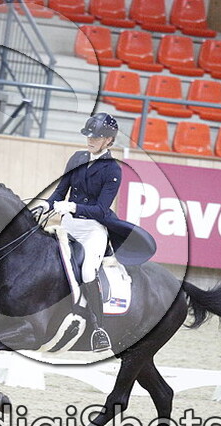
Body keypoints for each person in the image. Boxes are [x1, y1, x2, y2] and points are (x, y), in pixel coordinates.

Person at [40, 113, 155, 352]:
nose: (91, 140)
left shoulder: (112, 170)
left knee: (87, 271)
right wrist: (45, 205)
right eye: (89, 135)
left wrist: (73, 207)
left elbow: (102, 210)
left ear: (109, 140)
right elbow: (60, 191)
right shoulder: (77, 158)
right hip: (68, 226)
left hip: (93, 229)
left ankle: (97, 328)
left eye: (97, 137)